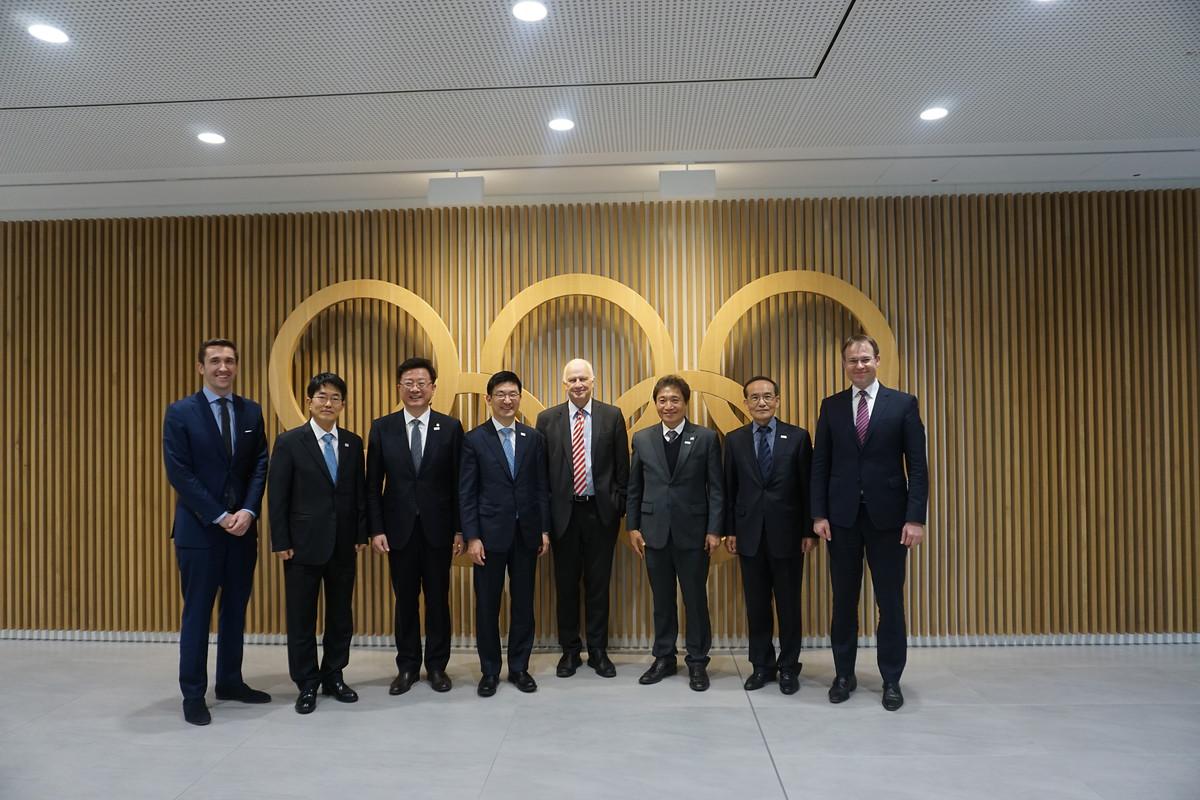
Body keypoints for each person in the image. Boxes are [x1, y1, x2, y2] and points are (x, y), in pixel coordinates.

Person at [811, 334, 928, 711]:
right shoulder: (831, 406)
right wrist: (819, 514)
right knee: (844, 602)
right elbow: (820, 464)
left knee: (889, 602)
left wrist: (915, 518)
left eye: (865, 359)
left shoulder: (903, 404)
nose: (859, 365)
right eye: (852, 360)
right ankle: (843, 675)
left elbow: (918, 467)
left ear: (877, 360)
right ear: (844, 364)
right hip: (842, 519)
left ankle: (891, 679)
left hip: (889, 521)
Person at [162, 338, 270, 726]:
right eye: (215, 361)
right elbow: (179, 472)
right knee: (197, 614)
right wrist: (220, 515)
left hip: (242, 531)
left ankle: (229, 681)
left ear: (237, 366)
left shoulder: (251, 411)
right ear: (201, 368)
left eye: (229, 361)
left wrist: (248, 510)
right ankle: (193, 693)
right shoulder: (180, 413)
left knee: (235, 611)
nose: (223, 367)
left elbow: (260, 464)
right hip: (200, 533)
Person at [268, 372, 367, 714]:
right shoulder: (289, 442)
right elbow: (277, 496)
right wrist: (280, 540)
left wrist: (360, 534)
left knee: (340, 616)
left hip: (343, 544)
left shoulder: (352, 443)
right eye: (322, 396)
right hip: (301, 545)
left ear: (343, 404)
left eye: (335, 398)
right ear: (309, 401)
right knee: (302, 617)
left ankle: (334, 675)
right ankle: (307, 681)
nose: (328, 403)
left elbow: (359, 493)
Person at [367, 357, 464, 695]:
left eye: (422, 383)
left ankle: (437, 666)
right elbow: (372, 485)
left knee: (438, 601)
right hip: (399, 531)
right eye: (408, 383)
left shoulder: (450, 428)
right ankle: (407, 666)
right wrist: (376, 529)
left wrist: (459, 530)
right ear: (399, 388)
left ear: (433, 388)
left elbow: (459, 485)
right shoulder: (383, 427)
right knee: (405, 601)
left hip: (439, 530)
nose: (415, 389)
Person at [626, 375, 724, 691]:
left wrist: (714, 529)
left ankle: (697, 661)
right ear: (655, 404)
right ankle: (664, 658)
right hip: (654, 532)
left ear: (685, 403)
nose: (668, 406)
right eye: (663, 400)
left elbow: (716, 488)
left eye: (675, 400)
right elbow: (634, 487)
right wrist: (632, 526)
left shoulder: (706, 438)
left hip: (694, 533)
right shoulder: (642, 439)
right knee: (662, 600)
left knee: (695, 599)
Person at [459, 371, 551, 697]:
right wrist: (472, 537)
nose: (507, 400)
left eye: (513, 394)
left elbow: (541, 488)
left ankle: (519, 668)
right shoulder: (474, 439)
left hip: (526, 535)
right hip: (488, 537)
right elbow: (466, 493)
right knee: (487, 606)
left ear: (520, 398)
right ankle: (489, 671)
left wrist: (543, 529)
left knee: (524, 604)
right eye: (500, 394)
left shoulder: (533, 438)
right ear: (489, 399)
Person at [535, 358, 629, 679]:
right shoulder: (547, 419)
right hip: (563, 515)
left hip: (600, 514)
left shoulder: (612, 416)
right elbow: (541, 475)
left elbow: (622, 467)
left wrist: (618, 505)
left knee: (598, 586)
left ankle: (598, 651)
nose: (578, 384)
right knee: (566, 586)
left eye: (583, 379)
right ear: (564, 384)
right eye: (572, 380)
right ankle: (570, 651)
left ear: (593, 381)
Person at [723, 376, 815, 695]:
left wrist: (808, 530)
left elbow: (807, 488)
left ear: (777, 400)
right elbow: (729, 489)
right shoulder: (734, 440)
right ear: (745, 403)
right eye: (754, 397)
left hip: (788, 535)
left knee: (789, 605)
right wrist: (730, 530)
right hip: (749, 535)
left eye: (767, 396)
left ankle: (788, 666)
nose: (761, 402)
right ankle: (761, 665)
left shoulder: (798, 437)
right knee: (757, 605)